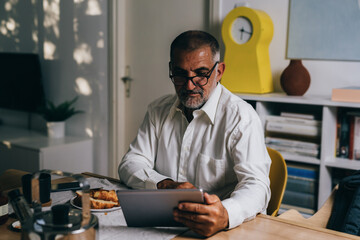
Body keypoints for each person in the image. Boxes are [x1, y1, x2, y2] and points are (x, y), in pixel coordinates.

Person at [118, 30, 271, 237]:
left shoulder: (241, 117)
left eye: (201, 73)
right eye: (181, 74)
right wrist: (163, 184)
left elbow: (257, 185)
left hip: (220, 232)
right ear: (171, 70)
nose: (189, 85)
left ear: (219, 71)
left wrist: (225, 214)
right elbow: (131, 162)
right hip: (164, 225)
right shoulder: (158, 110)